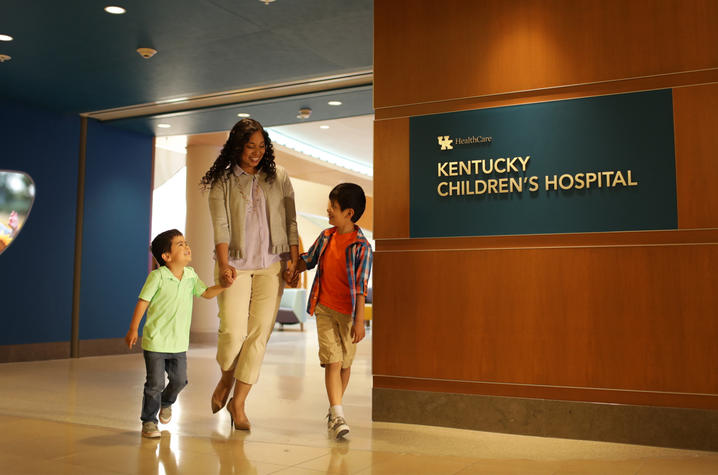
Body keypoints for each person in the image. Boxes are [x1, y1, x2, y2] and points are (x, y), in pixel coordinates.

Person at [201, 118, 299, 430]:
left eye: (261, 146)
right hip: (235, 266)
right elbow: (220, 225)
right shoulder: (224, 180)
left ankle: (238, 403)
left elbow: (291, 222)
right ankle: (226, 376)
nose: (256, 152)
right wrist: (224, 264)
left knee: (259, 335)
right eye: (250, 146)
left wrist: (293, 262)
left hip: (271, 266)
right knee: (232, 333)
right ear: (237, 146)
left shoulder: (279, 177)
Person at [125, 229, 229, 438]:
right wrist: (133, 328)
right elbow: (143, 301)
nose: (186, 246)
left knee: (180, 380)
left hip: (179, 343)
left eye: (186, 242)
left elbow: (206, 293)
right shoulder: (158, 276)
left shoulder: (190, 276)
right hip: (156, 341)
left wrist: (223, 286)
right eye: (180, 244)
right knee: (155, 384)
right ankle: (149, 422)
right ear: (166, 256)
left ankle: (167, 402)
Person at [291, 183, 373, 439]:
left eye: (333, 207)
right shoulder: (326, 237)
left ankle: (333, 409)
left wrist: (360, 322)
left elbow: (360, 288)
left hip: (349, 313)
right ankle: (338, 413)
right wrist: (294, 265)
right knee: (333, 361)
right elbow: (309, 259)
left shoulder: (362, 247)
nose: (328, 210)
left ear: (349, 213)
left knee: (345, 364)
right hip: (324, 307)